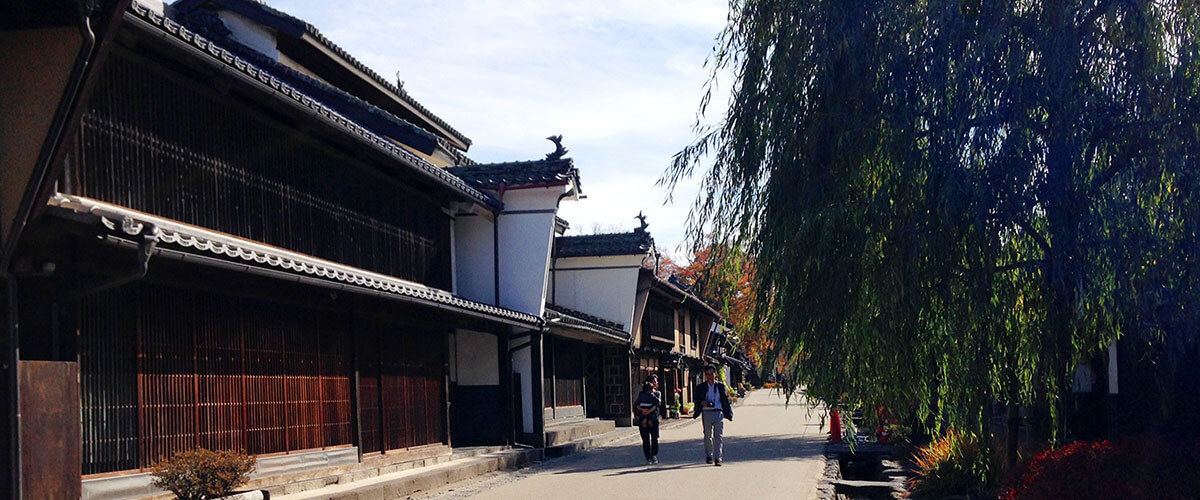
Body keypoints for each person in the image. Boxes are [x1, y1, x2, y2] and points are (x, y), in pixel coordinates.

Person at [692, 365, 733, 466]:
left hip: (718, 412)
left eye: (711, 374)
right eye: (707, 374)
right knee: (707, 436)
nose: (710, 376)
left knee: (718, 436)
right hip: (706, 412)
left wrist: (728, 413)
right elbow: (696, 399)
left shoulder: (720, 386)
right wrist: (702, 403)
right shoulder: (701, 387)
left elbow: (725, 400)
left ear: (715, 374)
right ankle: (709, 455)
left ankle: (718, 458)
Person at [634, 375, 661, 465]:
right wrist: (644, 410)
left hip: (652, 417)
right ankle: (648, 457)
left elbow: (657, 404)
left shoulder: (657, 393)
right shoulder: (642, 394)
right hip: (644, 417)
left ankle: (654, 454)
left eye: (656, 382)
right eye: (654, 382)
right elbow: (637, 404)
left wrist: (646, 410)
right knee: (645, 439)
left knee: (654, 438)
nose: (656, 383)